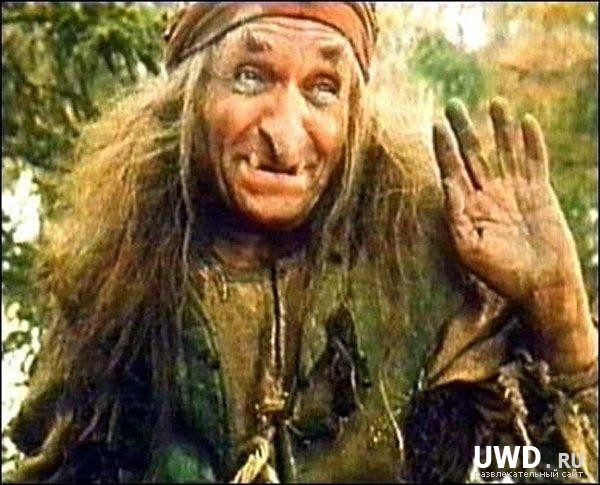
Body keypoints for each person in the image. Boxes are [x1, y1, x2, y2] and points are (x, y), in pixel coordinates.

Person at [6, 3, 598, 483]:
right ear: (190, 99)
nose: (285, 138)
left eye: (322, 88)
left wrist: (565, 325)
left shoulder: (429, 278)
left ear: (357, 116)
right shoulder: (117, 280)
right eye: (251, 76)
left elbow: (538, 472)